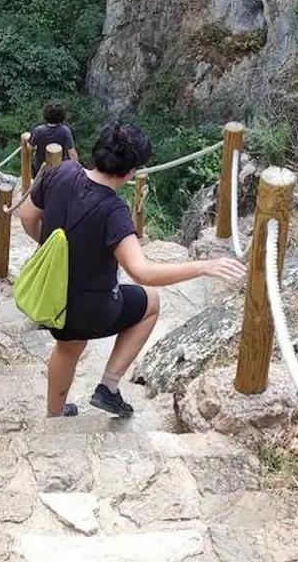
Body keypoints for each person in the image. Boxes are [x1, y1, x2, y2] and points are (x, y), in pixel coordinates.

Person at [19, 122, 247, 418]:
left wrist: (55, 250)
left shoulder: (60, 171)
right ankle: (109, 386)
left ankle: (55, 414)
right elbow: (142, 272)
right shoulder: (114, 211)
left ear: (97, 149)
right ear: (129, 173)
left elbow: (26, 216)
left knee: (67, 348)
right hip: (92, 308)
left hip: (52, 296)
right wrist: (204, 266)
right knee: (150, 303)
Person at [29, 101, 79, 175]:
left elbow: (30, 148)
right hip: (58, 169)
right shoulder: (65, 131)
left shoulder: (38, 130)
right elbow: (72, 154)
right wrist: (77, 169)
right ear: (62, 116)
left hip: (40, 168)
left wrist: (27, 142)